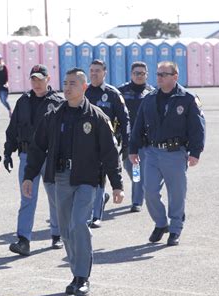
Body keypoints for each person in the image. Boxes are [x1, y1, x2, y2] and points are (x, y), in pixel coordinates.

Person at [22, 67, 124, 296]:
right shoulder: (53, 116)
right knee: (67, 230)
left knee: (79, 223)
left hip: (87, 179)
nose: (67, 88)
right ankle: (76, 275)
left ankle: (83, 277)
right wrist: (29, 176)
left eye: (73, 84)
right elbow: (37, 148)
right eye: (65, 83)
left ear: (84, 87)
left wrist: (117, 185)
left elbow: (110, 153)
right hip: (60, 178)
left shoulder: (97, 117)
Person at [129, 61, 205, 246]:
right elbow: (138, 125)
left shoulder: (187, 98)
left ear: (175, 76)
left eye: (164, 74)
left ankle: (175, 228)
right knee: (150, 191)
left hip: (175, 153)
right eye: (158, 74)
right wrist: (133, 149)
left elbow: (198, 127)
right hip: (152, 152)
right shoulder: (149, 98)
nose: (160, 77)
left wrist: (195, 152)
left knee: (176, 193)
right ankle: (161, 223)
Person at [4, 64, 64, 256]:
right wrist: (7, 152)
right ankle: (23, 240)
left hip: (50, 156)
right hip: (27, 156)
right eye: (33, 79)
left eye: (40, 79)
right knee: (27, 198)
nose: (36, 83)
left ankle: (57, 234)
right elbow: (13, 129)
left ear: (48, 80)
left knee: (55, 197)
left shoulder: (58, 102)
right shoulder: (23, 101)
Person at [85, 59, 130, 228]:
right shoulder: (84, 92)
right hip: (85, 143)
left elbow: (125, 120)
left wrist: (127, 143)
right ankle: (99, 200)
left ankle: (95, 215)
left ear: (105, 72)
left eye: (98, 70)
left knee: (100, 178)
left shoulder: (113, 94)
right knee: (88, 178)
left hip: (106, 144)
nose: (94, 73)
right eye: (92, 70)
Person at [118, 62, 154, 213]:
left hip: (145, 139)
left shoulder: (152, 92)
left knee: (136, 169)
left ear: (147, 74)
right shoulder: (121, 91)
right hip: (127, 138)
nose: (139, 76)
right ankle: (142, 188)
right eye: (136, 73)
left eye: (142, 73)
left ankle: (137, 201)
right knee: (129, 167)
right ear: (131, 74)